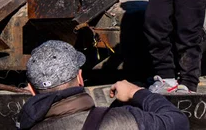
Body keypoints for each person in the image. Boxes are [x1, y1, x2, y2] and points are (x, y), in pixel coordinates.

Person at [18, 40, 189, 129]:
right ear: (79, 76)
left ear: (31, 89)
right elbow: (178, 122)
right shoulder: (122, 121)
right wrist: (137, 93)